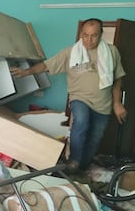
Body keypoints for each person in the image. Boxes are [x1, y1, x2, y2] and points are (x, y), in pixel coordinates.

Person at [10, 18, 127, 172]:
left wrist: (117, 104)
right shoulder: (71, 53)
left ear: (101, 35)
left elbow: (118, 78)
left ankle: (81, 169)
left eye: (94, 35)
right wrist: (26, 72)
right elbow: (47, 65)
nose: (89, 40)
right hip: (79, 98)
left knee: (95, 138)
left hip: (103, 104)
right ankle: (74, 162)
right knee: (81, 122)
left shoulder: (111, 52)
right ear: (81, 34)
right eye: (85, 35)